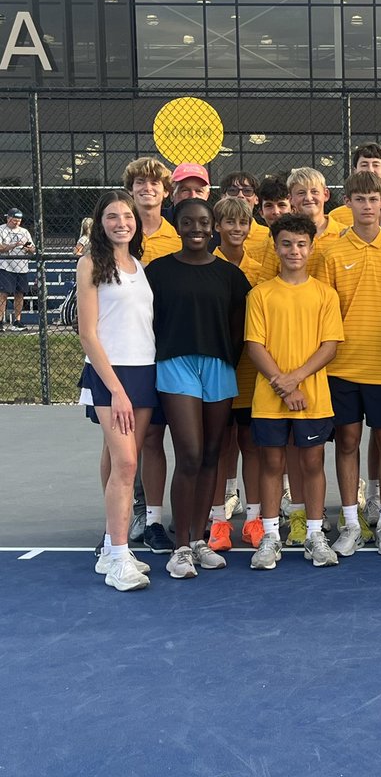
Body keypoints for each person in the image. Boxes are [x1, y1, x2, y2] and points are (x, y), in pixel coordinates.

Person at [145, 197, 252, 579]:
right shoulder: (158, 271)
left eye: (203, 222)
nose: (196, 229)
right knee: (189, 453)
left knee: (211, 453)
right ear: (177, 226)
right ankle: (180, 548)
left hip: (219, 367)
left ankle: (199, 539)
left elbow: (239, 327)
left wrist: (225, 359)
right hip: (176, 365)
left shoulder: (229, 276)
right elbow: (148, 321)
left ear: (213, 228)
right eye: (188, 222)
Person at [245, 214, 344, 570]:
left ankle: (315, 535)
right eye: (286, 244)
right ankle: (270, 536)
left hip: (313, 397)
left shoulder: (325, 294)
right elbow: (255, 346)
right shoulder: (260, 294)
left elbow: (329, 346)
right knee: (272, 464)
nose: (294, 250)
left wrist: (296, 380)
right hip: (269, 398)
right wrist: (284, 386)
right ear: (275, 247)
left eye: (301, 244)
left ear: (312, 247)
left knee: (312, 463)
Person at [316, 170, 381, 559]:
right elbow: (324, 313)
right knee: (348, 441)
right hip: (342, 366)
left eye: (374, 199)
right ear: (347, 203)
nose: (368, 206)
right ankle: (352, 523)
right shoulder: (332, 253)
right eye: (360, 199)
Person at [76, 190, 157, 591]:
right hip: (110, 375)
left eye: (127, 215)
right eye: (112, 216)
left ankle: (112, 548)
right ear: (100, 222)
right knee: (126, 465)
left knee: (120, 460)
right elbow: (88, 334)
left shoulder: (138, 265)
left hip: (144, 370)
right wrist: (117, 391)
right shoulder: (91, 262)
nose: (121, 222)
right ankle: (120, 558)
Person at [121, 157, 180, 554]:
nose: (147, 188)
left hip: (170, 349)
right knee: (133, 440)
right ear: (131, 191)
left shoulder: (178, 236)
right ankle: (131, 516)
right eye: (139, 183)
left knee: (166, 436)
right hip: (131, 352)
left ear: (165, 191)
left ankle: (159, 518)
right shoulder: (120, 235)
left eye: (154, 183)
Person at [207, 196, 266, 553]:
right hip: (216, 372)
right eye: (229, 222)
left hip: (250, 373)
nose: (236, 228)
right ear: (217, 227)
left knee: (251, 445)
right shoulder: (205, 266)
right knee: (220, 446)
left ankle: (254, 519)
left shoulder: (259, 270)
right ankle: (218, 521)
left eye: (242, 222)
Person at [329, 143, 381, 227]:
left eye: (376, 165)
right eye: (364, 165)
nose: (370, 170)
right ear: (355, 171)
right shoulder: (337, 217)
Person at [0, 208, 34, 330]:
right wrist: (13, 245)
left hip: (22, 267)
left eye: (19, 221)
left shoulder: (24, 232)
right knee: (3, 294)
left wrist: (28, 248)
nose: (17, 223)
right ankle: (0, 321)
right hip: (5, 266)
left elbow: (33, 249)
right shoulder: (1, 229)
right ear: (8, 218)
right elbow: (0, 247)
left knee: (20, 294)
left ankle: (17, 321)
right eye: (14, 220)